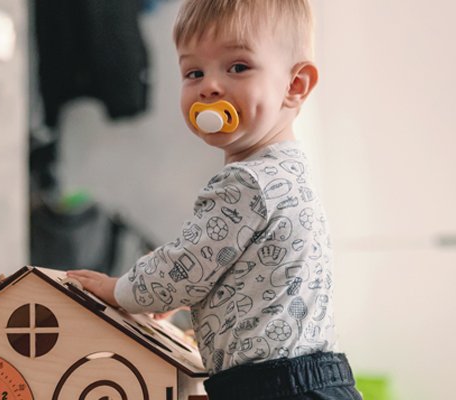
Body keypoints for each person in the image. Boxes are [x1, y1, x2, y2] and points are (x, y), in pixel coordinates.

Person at [66, 1, 361, 398]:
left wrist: (122, 289)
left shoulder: (245, 182)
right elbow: (241, 266)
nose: (209, 86)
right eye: (194, 72)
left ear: (295, 85)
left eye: (237, 67)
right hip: (313, 379)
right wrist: (191, 291)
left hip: (273, 388)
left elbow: (186, 264)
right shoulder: (289, 170)